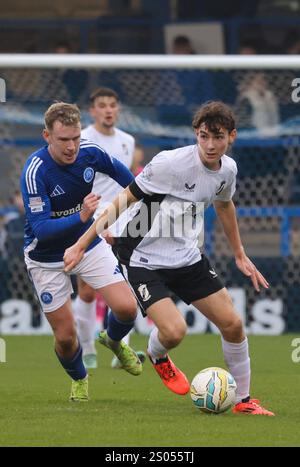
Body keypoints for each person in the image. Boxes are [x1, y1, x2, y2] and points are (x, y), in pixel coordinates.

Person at [64, 101, 274, 415]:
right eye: (204, 136)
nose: (210, 145)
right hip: (143, 258)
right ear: (196, 134)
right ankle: (158, 355)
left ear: (232, 136)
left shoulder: (227, 170)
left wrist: (240, 254)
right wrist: (82, 244)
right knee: (174, 332)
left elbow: (224, 205)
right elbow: (123, 200)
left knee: (233, 325)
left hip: (188, 256)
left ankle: (243, 402)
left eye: (218, 137)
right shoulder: (170, 164)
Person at [20, 102, 142, 402]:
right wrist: (82, 217)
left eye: (75, 137)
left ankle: (112, 341)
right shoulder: (35, 171)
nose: (72, 146)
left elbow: (124, 176)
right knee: (64, 337)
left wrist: (143, 203)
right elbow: (41, 229)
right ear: (46, 135)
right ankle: (79, 378)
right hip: (46, 257)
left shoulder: (89, 152)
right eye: (63, 140)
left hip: (87, 244)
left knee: (127, 308)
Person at [75, 87, 146, 369]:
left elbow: (125, 186)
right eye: (102, 105)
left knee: (124, 283)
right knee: (88, 291)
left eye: (112, 105)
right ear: (92, 111)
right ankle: (88, 348)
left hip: (121, 218)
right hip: (89, 215)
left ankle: (121, 349)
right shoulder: (82, 140)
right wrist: (94, 220)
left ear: (118, 109)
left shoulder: (128, 141)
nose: (108, 110)